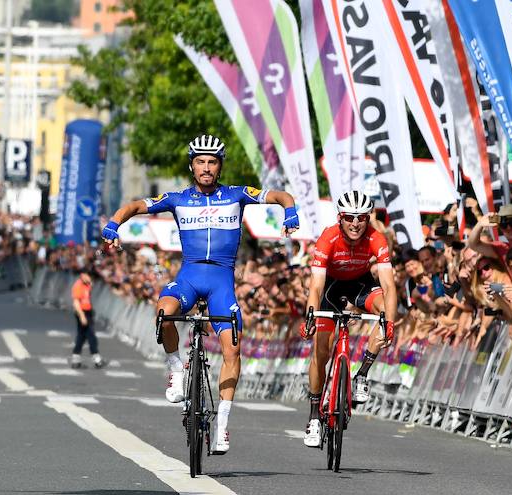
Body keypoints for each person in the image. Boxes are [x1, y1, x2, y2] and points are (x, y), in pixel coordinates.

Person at [100, 134, 300, 454]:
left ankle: (222, 425)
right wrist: (113, 224)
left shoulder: (237, 194)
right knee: (164, 311)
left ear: (219, 167)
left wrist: (290, 212)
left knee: (232, 350)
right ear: (192, 166)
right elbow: (137, 205)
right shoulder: (178, 198)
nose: (206, 168)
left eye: (212, 162)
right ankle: (177, 370)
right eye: (200, 162)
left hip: (222, 280)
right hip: (190, 276)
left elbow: (280, 195)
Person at [299, 190, 397, 447]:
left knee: (385, 311)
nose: (355, 223)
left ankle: (362, 374)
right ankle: (313, 417)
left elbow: (388, 285)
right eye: (350, 217)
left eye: (361, 218)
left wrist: (390, 324)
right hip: (331, 288)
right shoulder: (328, 238)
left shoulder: (377, 239)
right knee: (321, 351)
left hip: (360, 285)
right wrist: (310, 315)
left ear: (368, 219)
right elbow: (317, 286)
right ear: (340, 218)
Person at [70, 270, 106, 369]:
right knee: (91, 335)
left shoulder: (87, 284)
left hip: (88, 311)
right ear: (83, 275)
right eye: (89, 276)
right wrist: (82, 316)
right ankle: (96, 357)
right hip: (82, 312)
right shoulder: (78, 286)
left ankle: (75, 358)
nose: (91, 279)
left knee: (81, 336)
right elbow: (76, 303)